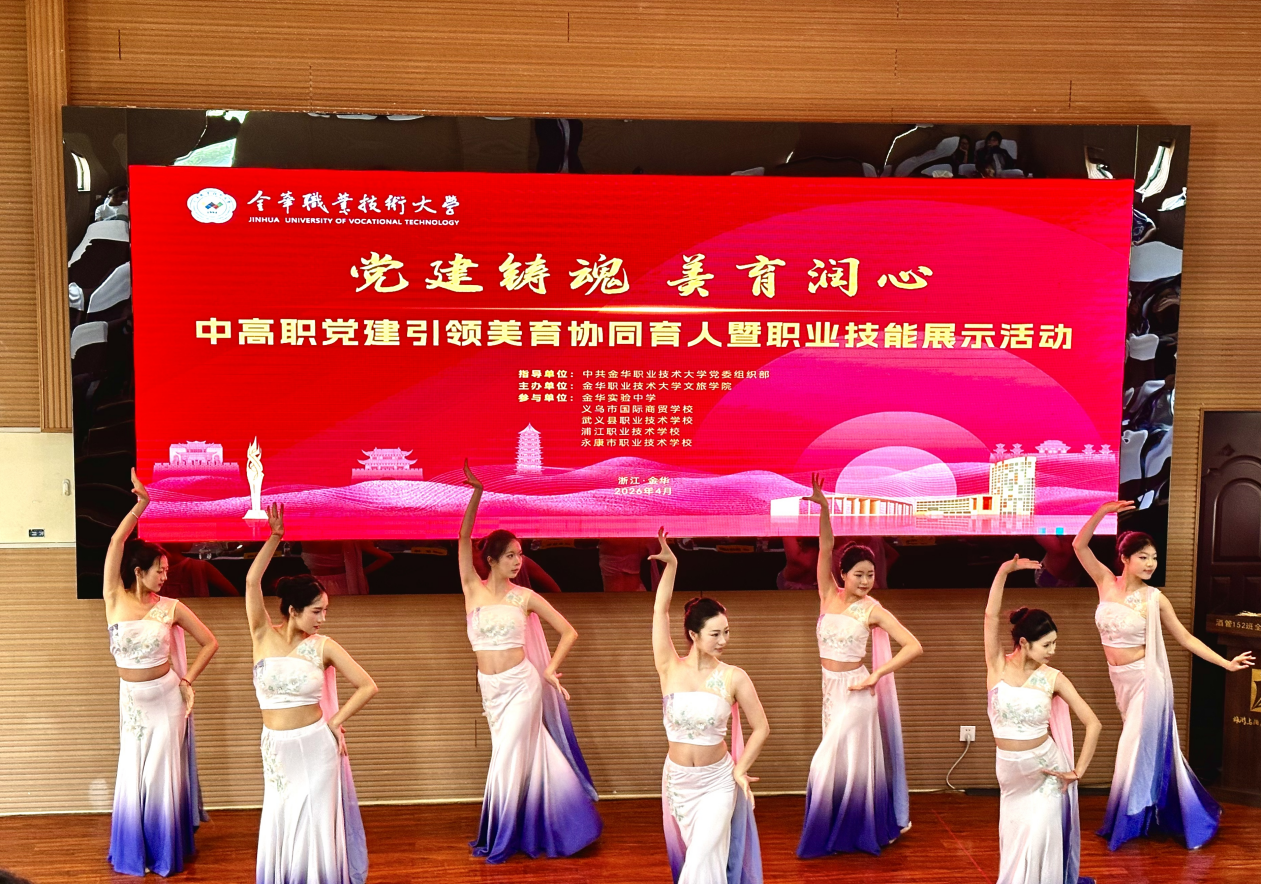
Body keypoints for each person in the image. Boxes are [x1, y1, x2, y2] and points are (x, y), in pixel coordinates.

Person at [1074, 502, 1253, 850]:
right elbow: (1078, 546)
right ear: (1124, 558)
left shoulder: (1155, 599)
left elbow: (1185, 638)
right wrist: (1103, 511)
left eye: (1154, 558)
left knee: (1132, 746)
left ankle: (1126, 822)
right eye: (1143, 557)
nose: (1151, 563)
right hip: (1120, 681)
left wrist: (1225, 663)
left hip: (1147, 681)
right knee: (1143, 749)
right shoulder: (1105, 583)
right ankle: (1161, 812)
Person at [460, 460, 601, 863]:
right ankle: (557, 825)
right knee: (525, 756)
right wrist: (477, 493)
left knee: (506, 756)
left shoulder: (525, 597)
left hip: (523, 686)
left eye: (520, 555)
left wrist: (549, 669)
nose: (517, 561)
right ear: (491, 559)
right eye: (510, 555)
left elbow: (568, 631)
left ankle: (501, 835)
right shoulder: (472, 588)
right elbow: (464, 536)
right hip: (492, 691)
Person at [247, 503, 378, 884]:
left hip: (317, 745)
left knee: (317, 823)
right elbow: (252, 582)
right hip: (275, 746)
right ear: (293, 610)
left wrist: (334, 722)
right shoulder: (261, 634)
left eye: (325, 611)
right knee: (283, 813)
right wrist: (275, 537)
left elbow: (367, 685)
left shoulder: (324, 646)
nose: (323, 618)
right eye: (317, 611)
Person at [797, 475, 922, 857]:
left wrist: (877, 674)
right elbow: (826, 546)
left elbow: (913, 646)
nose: (867, 580)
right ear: (843, 574)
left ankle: (846, 831)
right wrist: (824, 508)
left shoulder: (872, 609)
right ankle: (843, 831)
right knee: (840, 767)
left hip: (856, 690)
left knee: (831, 764)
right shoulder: (827, 594)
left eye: (871, 574)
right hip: (830, 692)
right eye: (859, 574)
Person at [104, 469, 218, 876]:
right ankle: (136, 850)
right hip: (133, 703)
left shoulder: (171, 607)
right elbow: (116, 542)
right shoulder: (114, 596)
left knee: (161, 777)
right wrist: (141, 505)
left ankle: (165, 852)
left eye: (167, 570)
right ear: (139, 571)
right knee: (133, 773)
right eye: (160, 570)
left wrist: (187, 681)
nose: (166, 576)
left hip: (167, 699)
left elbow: (210, 642)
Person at [650, 527, 768, 883]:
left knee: (701, 859)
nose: (723, 640)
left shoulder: (734, 677)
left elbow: (761, 727)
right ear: (693, 635)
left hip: (718, 782)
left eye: (726, 632)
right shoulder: (669, 667)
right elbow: (660, 611)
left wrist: (740, 769)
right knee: (704, 862)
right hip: (679, 783)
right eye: (715, 633)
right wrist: (671, 566)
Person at [985, 556, 1100, 884]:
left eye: (1055, 643)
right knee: (1015, 845)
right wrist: (1004, 571)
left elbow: (1093, 723)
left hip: (1046, 773)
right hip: (1010, 777)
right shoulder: (996, 665)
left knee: (1039, 844)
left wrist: (1077, 772)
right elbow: (990, 615)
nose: (1053, 650)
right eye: (1047, 644)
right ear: (1023, 643)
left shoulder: (1053, 678)